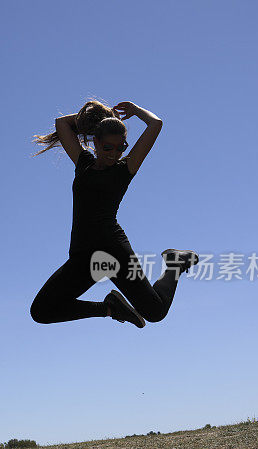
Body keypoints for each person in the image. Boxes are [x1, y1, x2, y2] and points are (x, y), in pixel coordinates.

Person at [29, 100, 198, 327]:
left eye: (121, 148)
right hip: (83, 257)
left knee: (155, 312)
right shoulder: (84, 163)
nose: (114, 153)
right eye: (108, 147)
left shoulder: (125, 169)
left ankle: (175, 263)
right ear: (96, 142)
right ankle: (109, 308)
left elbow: (155, 124)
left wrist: (136, 111)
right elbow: (62, 123)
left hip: (112, 251)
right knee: (42, 311)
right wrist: (97, 119)